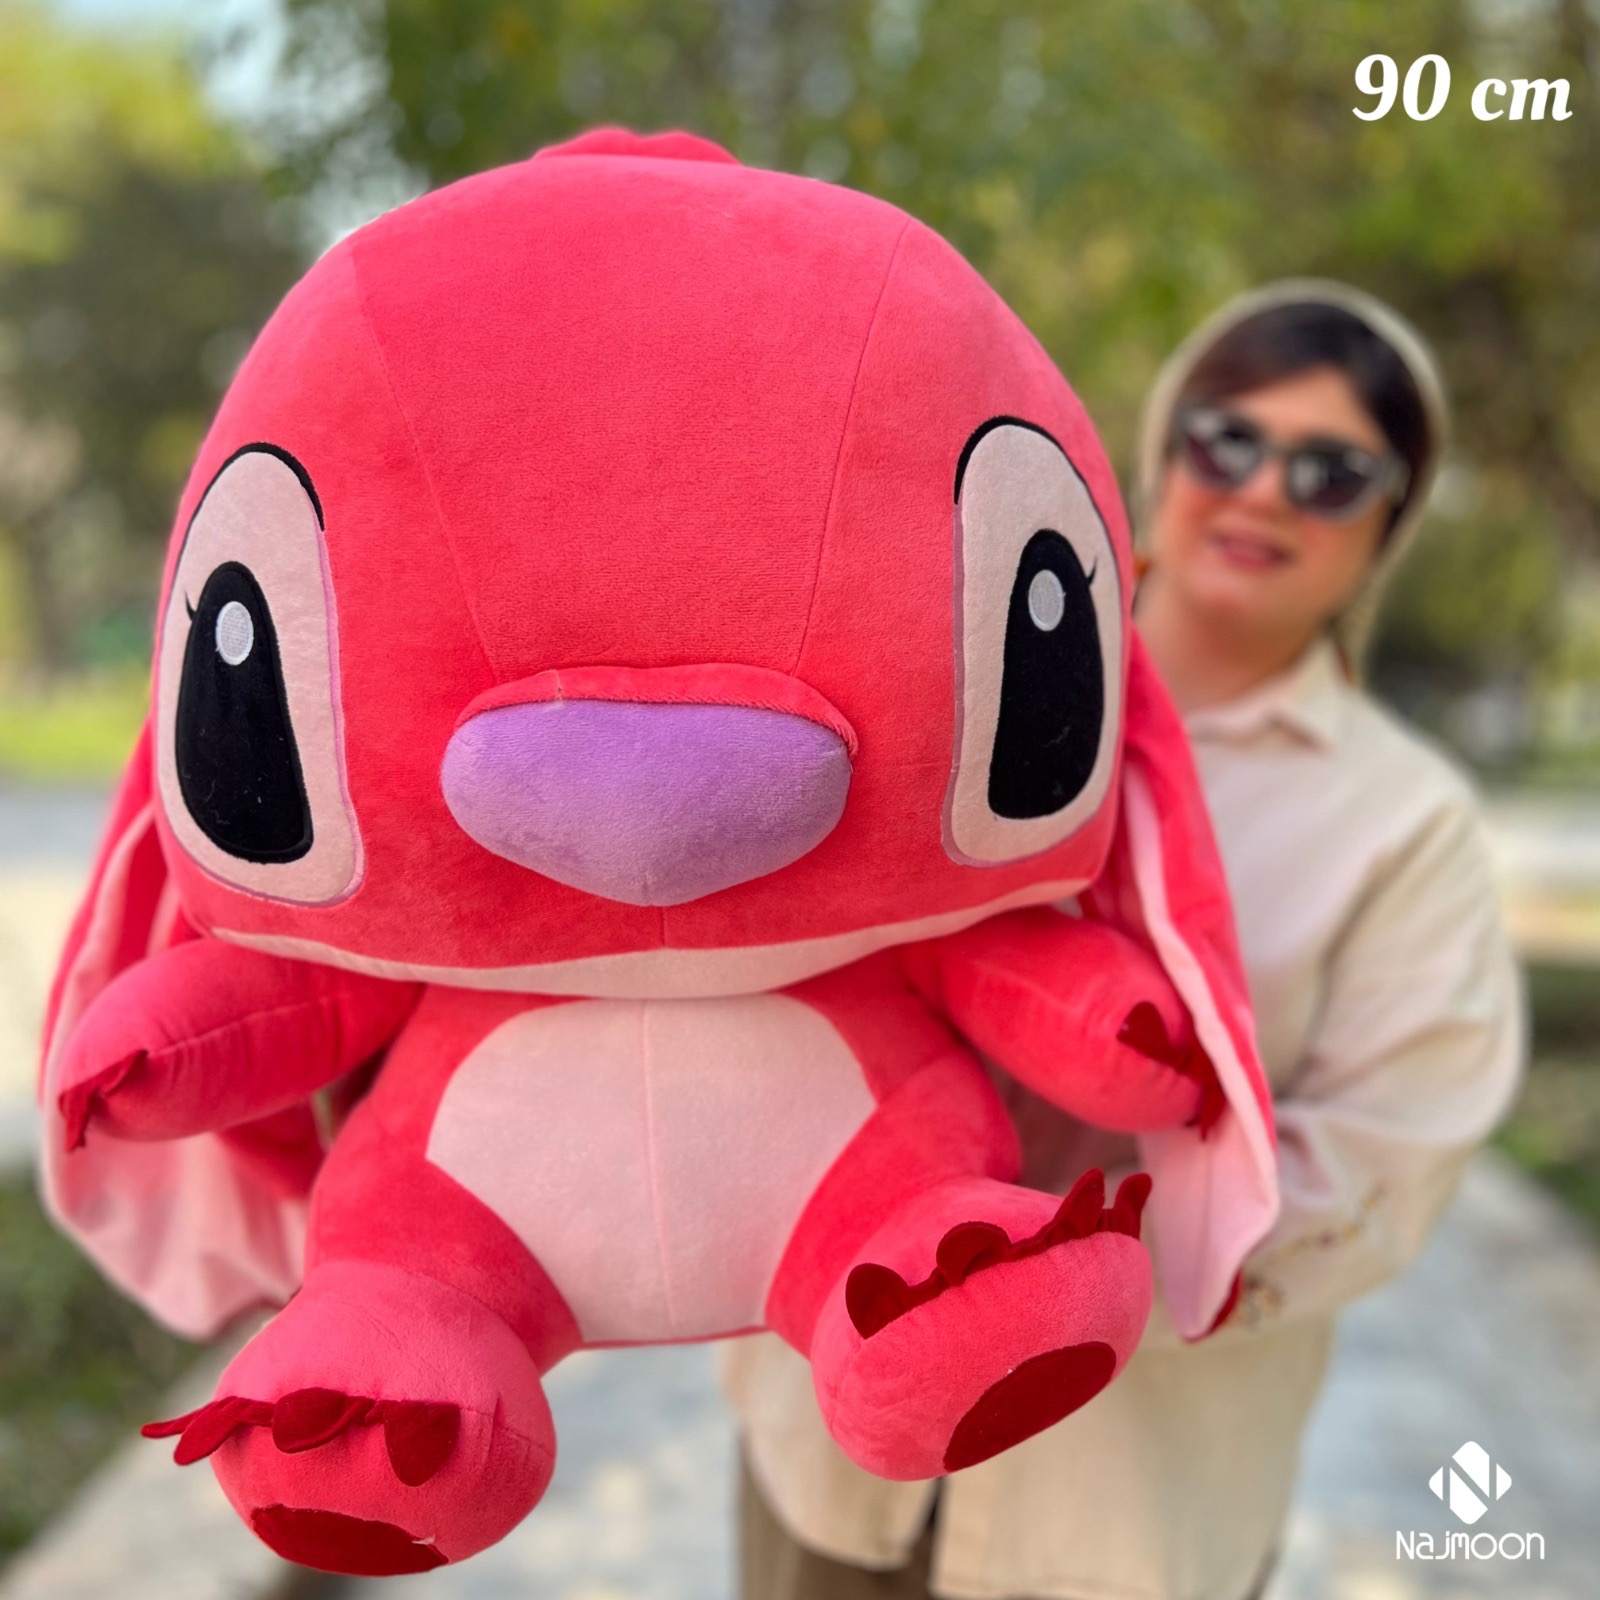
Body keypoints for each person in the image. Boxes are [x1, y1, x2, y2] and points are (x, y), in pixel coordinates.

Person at [720, 280, 1526, 1600]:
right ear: (1161, 451)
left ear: (1389, 521)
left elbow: (1385, 1156)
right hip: (829, 1448)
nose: (1263, 492)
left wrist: (1051, 1292)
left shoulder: (1403, 822)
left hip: (1119, 1514)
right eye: (1227, 438)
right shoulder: (948, 675)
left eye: (1331, 473)